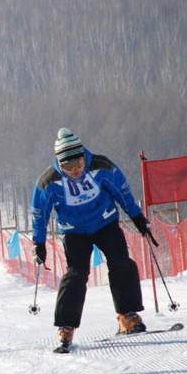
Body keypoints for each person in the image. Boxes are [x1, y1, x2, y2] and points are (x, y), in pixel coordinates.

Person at [31, 128, 151, 351]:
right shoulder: (49, 181)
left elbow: (122, 192)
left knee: (121, 262)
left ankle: (127, 315)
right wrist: (39, 243)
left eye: (78, 164)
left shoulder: (101, 166)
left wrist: (137, 217)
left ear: (84, 157)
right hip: (74, 232)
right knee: (76, 274)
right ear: (60, 164)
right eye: (68, 167)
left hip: (105, 223)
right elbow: (40, 214)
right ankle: (66, 326)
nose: (75, 171)